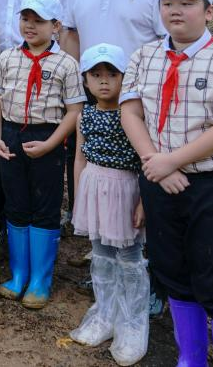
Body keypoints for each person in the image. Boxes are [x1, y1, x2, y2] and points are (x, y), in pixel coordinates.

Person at [120, 0, 213, 366]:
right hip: (159, 181)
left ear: (208, 11)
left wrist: (172, 161)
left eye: (186, 3)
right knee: (174, 274)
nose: (175, 11)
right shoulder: (145, 56)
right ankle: (191, 359)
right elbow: (130, 110)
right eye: (168, 3)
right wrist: (156, 163)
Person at [0, 0, 84, 309]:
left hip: (48, 137)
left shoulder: (66, 65)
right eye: (25, 19)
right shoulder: (7, 57)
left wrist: (50, 144)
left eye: (38, 21)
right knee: (16, 202)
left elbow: (73, 111)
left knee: (45, 206)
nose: (30, 26)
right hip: (11, 136)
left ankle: (41, 280)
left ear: (56, 25)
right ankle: (19, 275)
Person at [69, 43, 149, 366]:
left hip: (124, 188)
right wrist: (78, 199)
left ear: (124, 78)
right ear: (86, 80)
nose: (104, 81)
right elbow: (79, 158)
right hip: (93, 187)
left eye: (111, 74)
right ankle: (105, 314)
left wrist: (144, 200)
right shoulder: (84, 116)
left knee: (129, 257)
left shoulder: (132, 116)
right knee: (101, 252)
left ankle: (132, 326)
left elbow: (145, 160)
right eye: (96, 75)